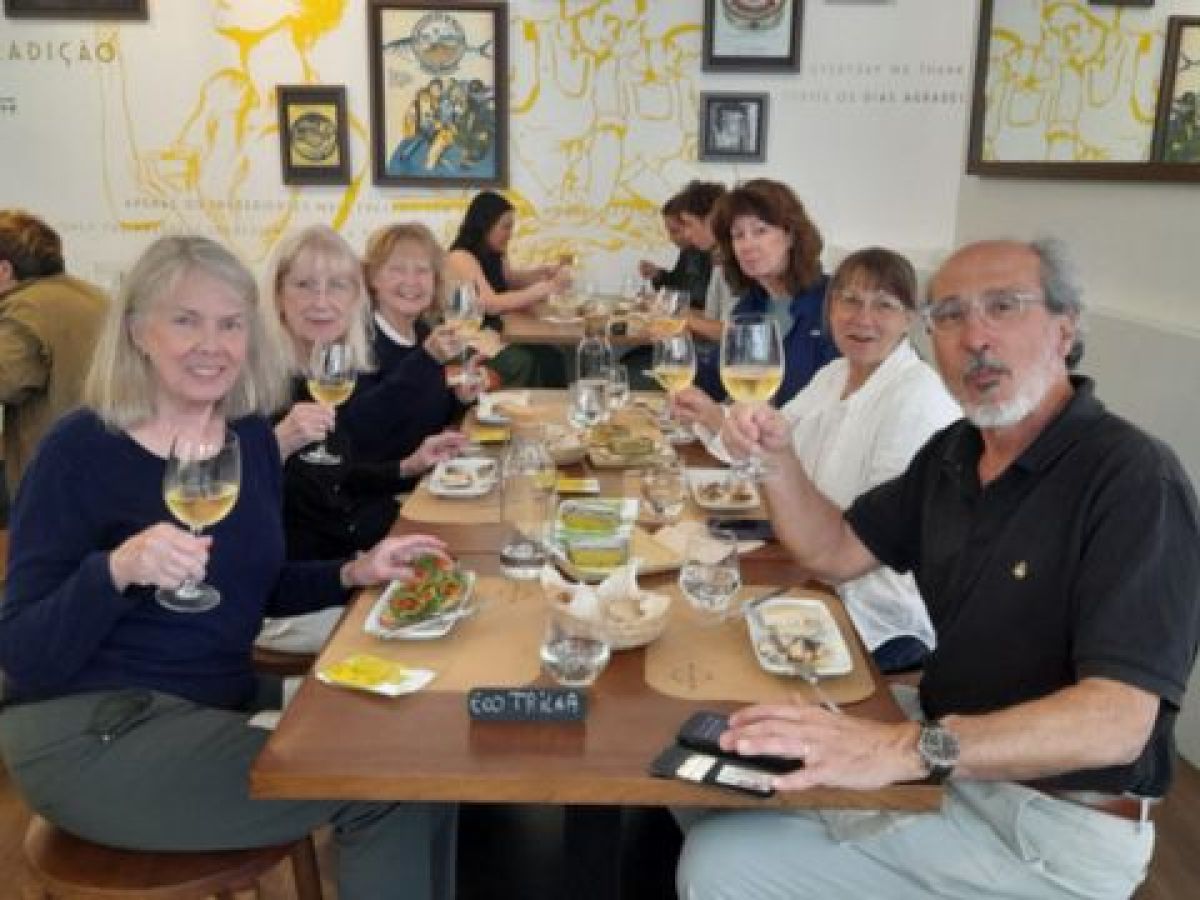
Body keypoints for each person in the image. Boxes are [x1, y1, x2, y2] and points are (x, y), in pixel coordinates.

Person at [676, 239, 1200, 900]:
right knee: (716, 763)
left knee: (721, 865)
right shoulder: (955, 453)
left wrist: (903, 750)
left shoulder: (1132, 479)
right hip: (948, 751)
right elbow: (834, 548)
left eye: (1003, 307)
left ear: (1066, 329)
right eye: (949, 315)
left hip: (1047, 826)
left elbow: (1117, 722)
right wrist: (777, 458)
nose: (974, 336)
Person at [0, 235, 457, 900]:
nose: (210, 344)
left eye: (229, 323)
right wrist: (116, 571)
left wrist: (354, 571)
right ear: (137, 332)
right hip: (92, 733)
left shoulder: (246, 439)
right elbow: (22, 651)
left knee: (425, 745)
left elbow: (255, 585)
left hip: (213, 702)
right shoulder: (80, 450)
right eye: (185, 320)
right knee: (386, 785)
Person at [675, 247, 960, 672]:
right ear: (829, 308)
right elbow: (772, 444)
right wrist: (720, 421)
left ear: (911, 319)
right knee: (692, 622)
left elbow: (874, 543)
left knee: (716, 654)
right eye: (849, 300)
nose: (863, 318)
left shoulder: (919, 398)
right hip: (806, 570)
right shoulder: (833, 375)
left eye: (884, 304)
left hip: (875, 613)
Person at [271, 225, 470, 562]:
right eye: (304, 286)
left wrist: (408, 465)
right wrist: (275, 448)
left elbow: (338, 467)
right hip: (319, 574)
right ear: (372, 281)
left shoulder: (410, 335)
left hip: (353, 548)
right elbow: (362, 433)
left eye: (336, 286)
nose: (322, 302)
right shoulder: (267, 381)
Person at [695, 178, 839, 407]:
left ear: (790, 235)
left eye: (760, 231)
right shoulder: (750, 305)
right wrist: (675, 353)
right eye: (737, 235)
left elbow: (838, 402)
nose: (747, 245)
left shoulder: (834, 303)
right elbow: (713, 379)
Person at [0, 210, 108, 509]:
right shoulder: (96, 297)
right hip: (106, 471)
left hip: (53, 486)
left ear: (4, 271)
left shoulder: (26, 310)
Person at [446, 190, 570, 387]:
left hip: (495, 333)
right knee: (524, 361)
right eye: (505, 227)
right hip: (470, 340)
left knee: (553, 356)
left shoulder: (495, 253)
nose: (510, 234)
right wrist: (544, 289)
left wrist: (543, 273)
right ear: (485, 225)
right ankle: (519, 412)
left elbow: (511, 281)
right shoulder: (461, 257)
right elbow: (490, 304)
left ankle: (551, 411)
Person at [638, 192, 712, 306]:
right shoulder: (689, 251)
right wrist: (658, 275)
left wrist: (661, 299)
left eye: (675, 231)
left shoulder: (712, 255)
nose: (671, 238)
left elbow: (697, 299)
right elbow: (679, 283)